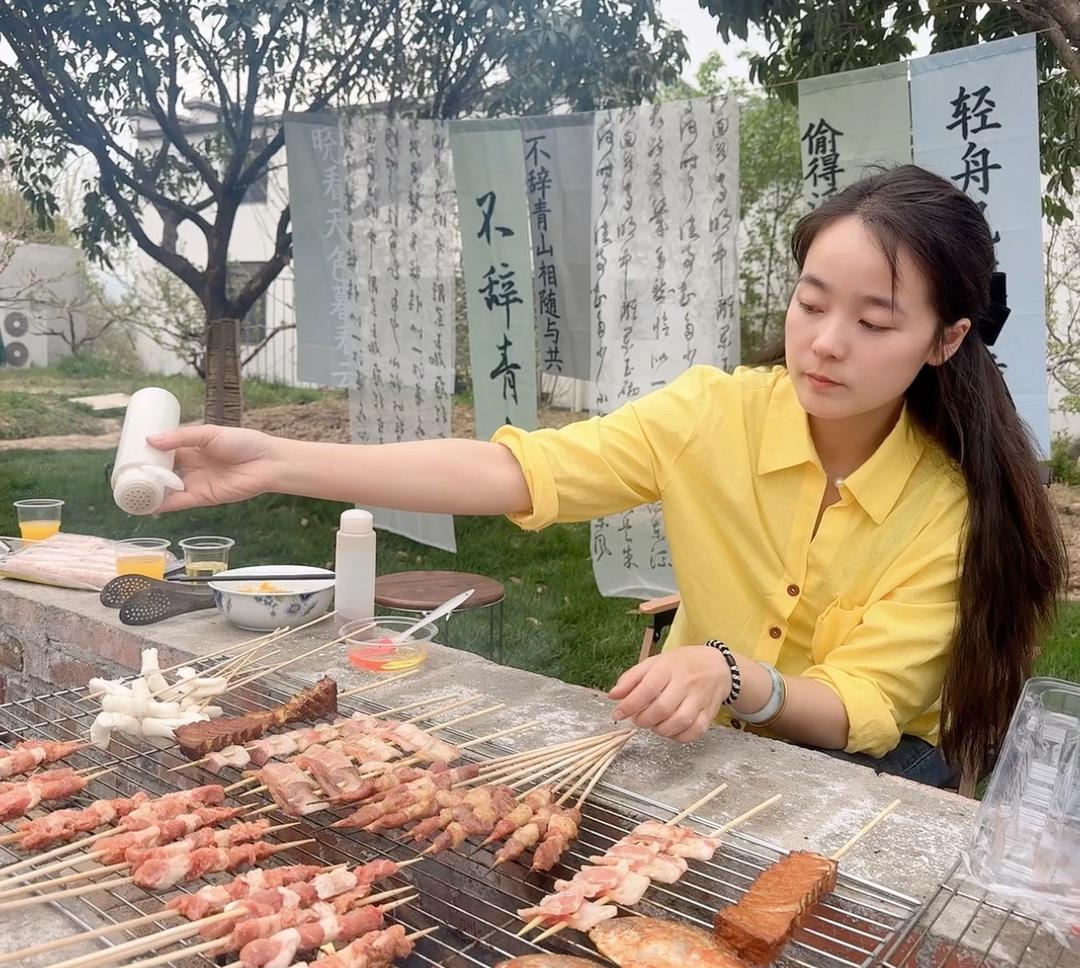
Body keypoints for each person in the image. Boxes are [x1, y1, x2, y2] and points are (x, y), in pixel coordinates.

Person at [149, 165, 1065, 791]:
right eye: (811, 302)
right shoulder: (716, 414)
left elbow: (861, 706)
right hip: (708, 747)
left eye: (874, 322)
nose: (825, 343)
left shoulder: (948, 509)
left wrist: (732, 675)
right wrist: (278, 459)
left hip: (868, 775)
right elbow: (519, 470)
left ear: (946, 339)